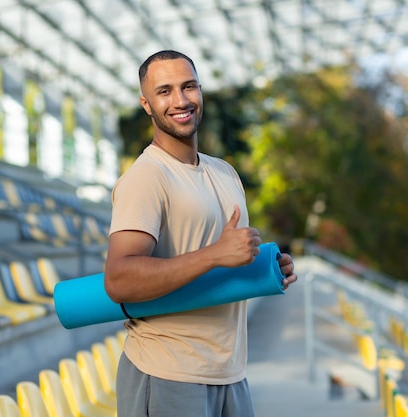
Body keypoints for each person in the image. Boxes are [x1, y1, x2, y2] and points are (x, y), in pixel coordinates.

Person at [103, 50, 298, 417]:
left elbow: (224, 260)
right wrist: (214, 254)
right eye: (164, 91)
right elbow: (119, 278)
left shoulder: (224, 173)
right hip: (167, 373)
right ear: (146, 104)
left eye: (188, 86)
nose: (180, 100)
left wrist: (267, 271)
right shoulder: (146, 178)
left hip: (230, 373)